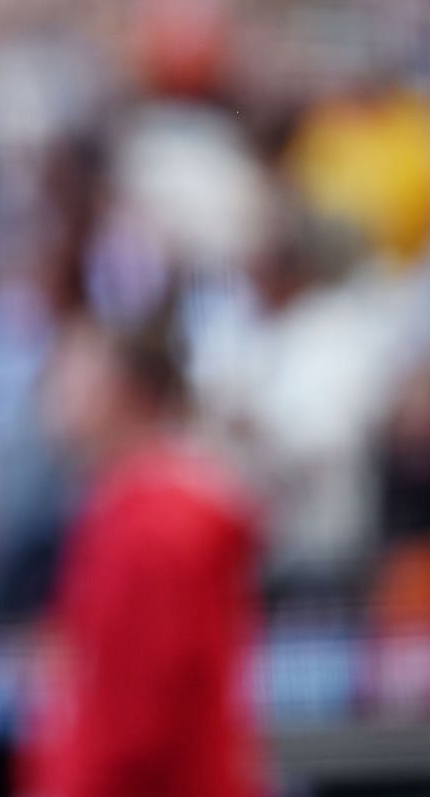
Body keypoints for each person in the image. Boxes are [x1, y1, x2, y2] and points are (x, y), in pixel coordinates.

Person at [17, 319, 263, 797]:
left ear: (123, 391)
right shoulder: (114, 511)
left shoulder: (155, 525)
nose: (54, 388)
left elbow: (137, 718)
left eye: (72, 372)